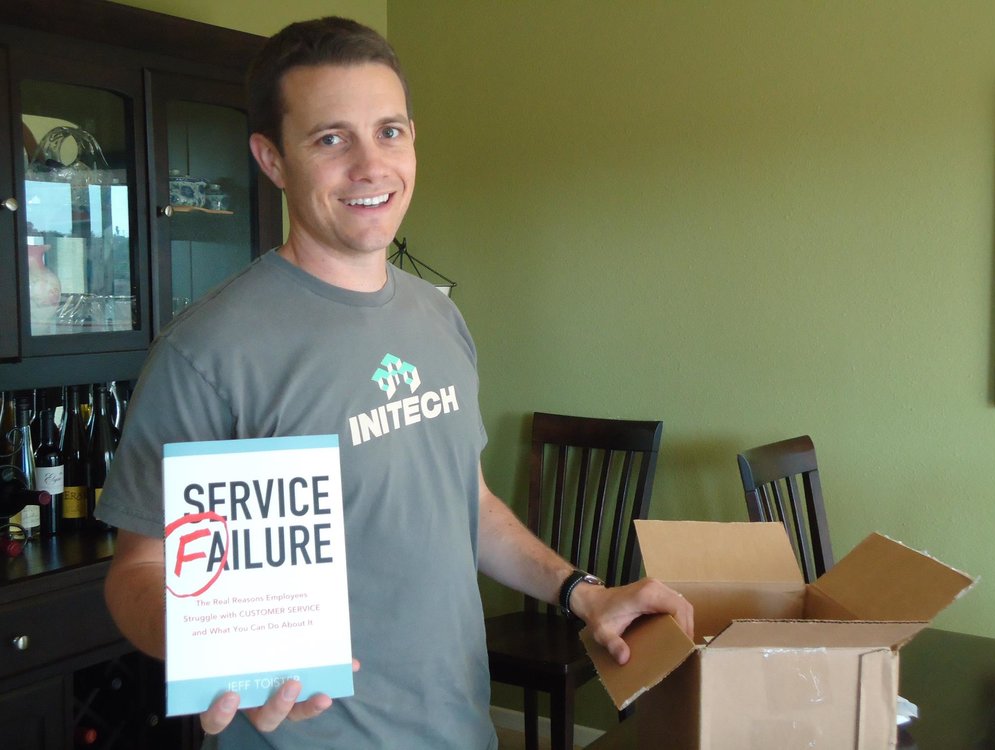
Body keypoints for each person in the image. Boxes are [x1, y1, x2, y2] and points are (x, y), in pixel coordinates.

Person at [98, 16, 693, 750]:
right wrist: (216, 652)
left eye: (390, 132)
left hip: (460, 729)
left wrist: (583, 593)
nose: (371, 165)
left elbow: (467, 507)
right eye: (330, 139)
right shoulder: (206, 353)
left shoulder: (436, 318)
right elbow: (140, 568)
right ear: (272, 160)